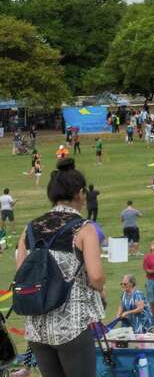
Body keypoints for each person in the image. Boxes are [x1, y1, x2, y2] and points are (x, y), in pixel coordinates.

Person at [15, 158, 106, 377]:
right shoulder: (84, 228)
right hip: (71, 324)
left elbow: (20, 274)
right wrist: (101, 287)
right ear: (79, 193)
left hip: (37, 326)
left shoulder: (30, 229)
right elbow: (96, 277)